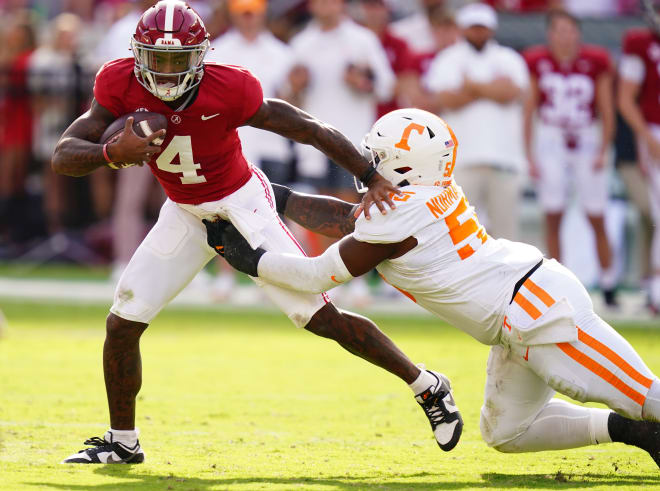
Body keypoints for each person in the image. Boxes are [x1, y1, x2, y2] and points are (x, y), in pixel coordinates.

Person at [52, 0, 461, 464]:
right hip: (185, 211)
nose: (165, 73)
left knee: (318, 317)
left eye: (177, 61)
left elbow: (307, 127)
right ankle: (122, 442)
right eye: (156, 59)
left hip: (241, 204)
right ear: (136, 54)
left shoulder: (230, 87)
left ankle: (426, 384)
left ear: (200, 57)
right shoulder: (117, 80)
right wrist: (109, 154)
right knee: (122, 321)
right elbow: (64, 153)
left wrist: (370, 176)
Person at [208, 108, 660, 468]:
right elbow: (348, 221)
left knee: (645, 396)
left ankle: (644, 421)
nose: (368, 165)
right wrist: (274, 197)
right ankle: (639, 436)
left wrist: (255, 261)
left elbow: (320, 274)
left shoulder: (397, 213)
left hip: (539, 313)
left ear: (403, 164)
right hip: (519, 309)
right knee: (507, 433)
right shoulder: (424, 193)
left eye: (377, 157)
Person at [522, 9, 617, 306]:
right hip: (551, 138)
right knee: (553, 215)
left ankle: (609, 283)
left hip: (586, 136)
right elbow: (530, 109)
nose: (565, 37)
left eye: (570, 30)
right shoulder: (538, 61)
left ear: (578, 33)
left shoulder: (596, 60)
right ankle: (558, 285)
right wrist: (529, 154)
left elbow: (606, 107)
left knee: (596, 214)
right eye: (559, 30)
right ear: (550, 34)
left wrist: (603, 147)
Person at [423, 2, 529, 240]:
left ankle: (507, 279)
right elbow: (447, 99)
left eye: (482, 28)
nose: (478, 32)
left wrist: (471, 86)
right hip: (462, 159)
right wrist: (492, 88)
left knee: (506, 234)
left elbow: (512, 93)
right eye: (473, 27)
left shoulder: (508, 58)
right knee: (458, 232)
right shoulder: (448, 59)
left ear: (491, 29)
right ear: (463, 28)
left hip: (504, 158)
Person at [618, 0, 660, 316]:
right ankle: (655, 290)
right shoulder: (640, 44)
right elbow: (625, 98)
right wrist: (646, 137)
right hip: (654, 130)